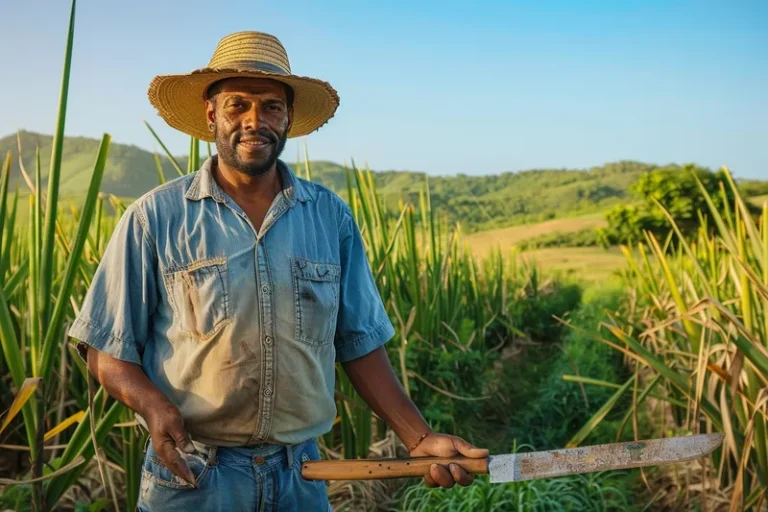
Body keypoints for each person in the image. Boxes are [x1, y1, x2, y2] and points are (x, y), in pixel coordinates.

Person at [69, 31, 488, 511]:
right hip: (193, 473)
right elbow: (105, 349)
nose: (255, 121)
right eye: (238, 106)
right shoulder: (155, 218)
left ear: (288, 118)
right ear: (211, 115)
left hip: (301, 474)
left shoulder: (329, 217)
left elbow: (358, 341)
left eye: (270, 107)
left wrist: (418, 438)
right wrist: (153, 405)